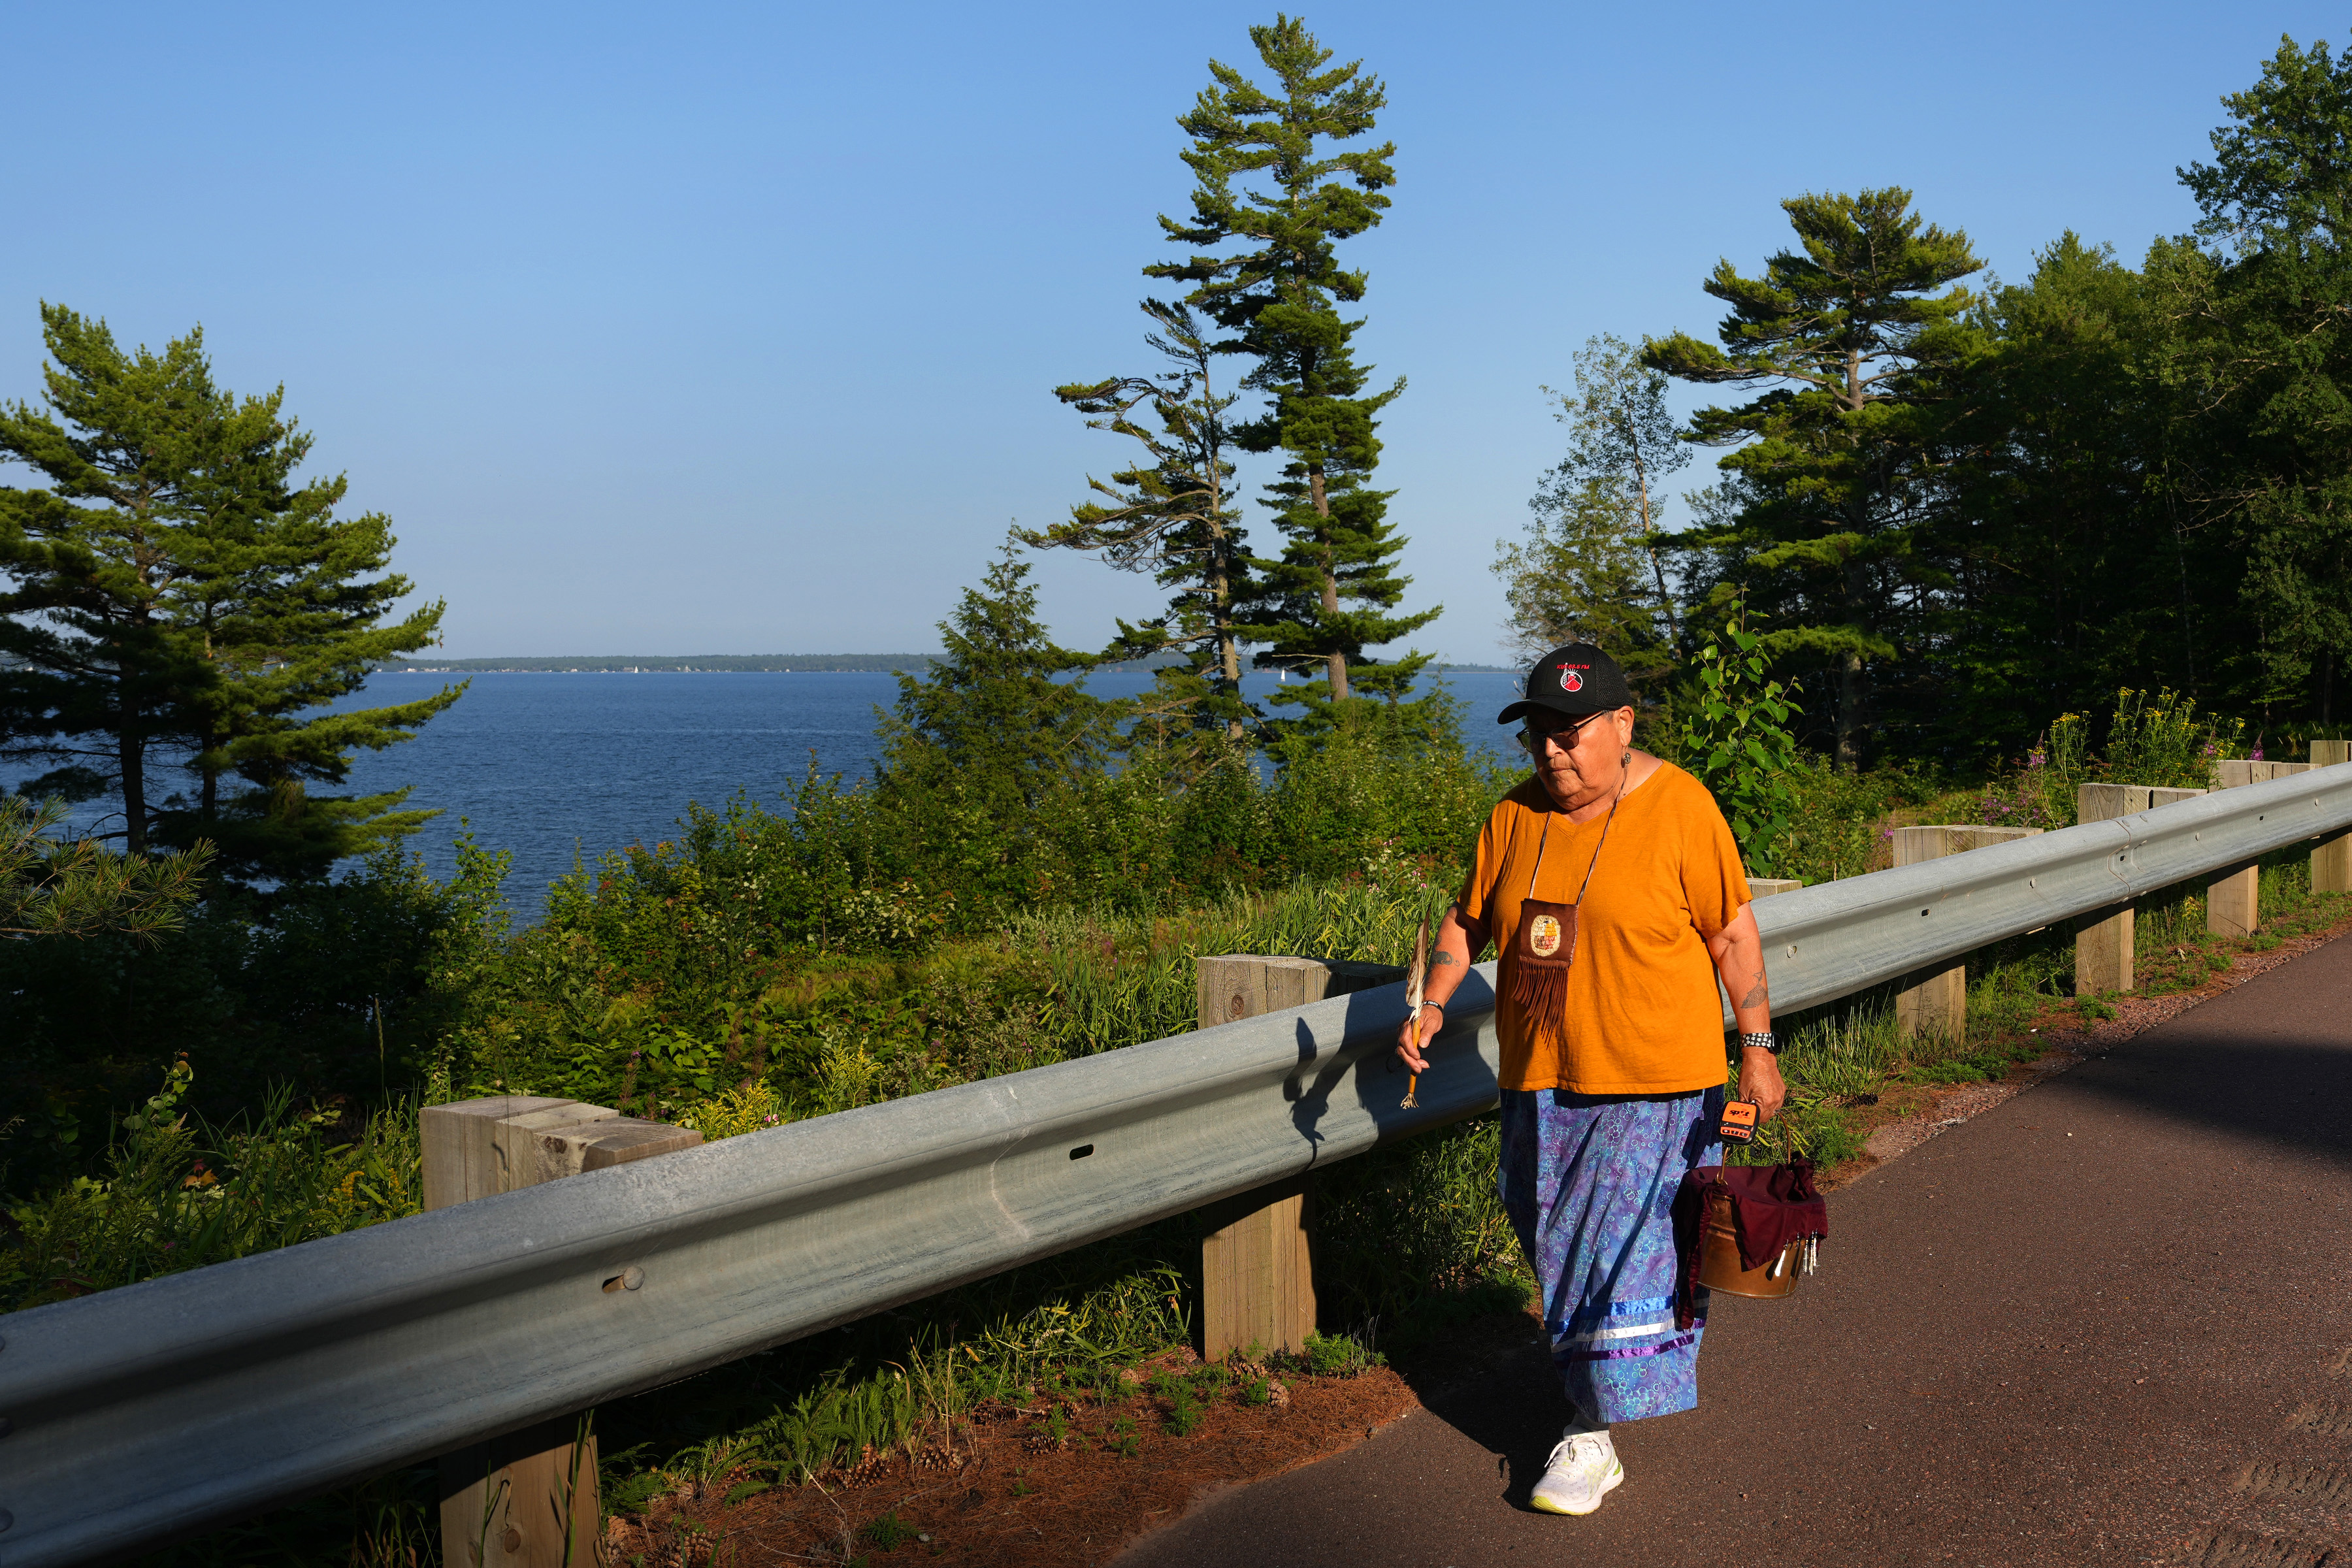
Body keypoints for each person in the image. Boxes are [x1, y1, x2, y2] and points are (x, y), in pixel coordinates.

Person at [1395, 641, 1782, 1517]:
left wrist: (1758, 1048)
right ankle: (1599, 1391)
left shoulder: (1682, 808)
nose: (1553, 753)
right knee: (1553, 1237)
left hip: (1657, 1079)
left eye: (1571, 735)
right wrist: (1432, 1003)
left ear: (1622, 725)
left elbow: (1733, 935)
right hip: (1539, 1079)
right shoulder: (1512, 818)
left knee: (1609, 1248)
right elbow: (1468, 920)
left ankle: (1588, 1430)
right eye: (1538, 737)